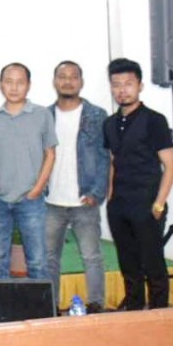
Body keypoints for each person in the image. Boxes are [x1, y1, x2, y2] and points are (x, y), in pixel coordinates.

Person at [104, 57, 173, 310]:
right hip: (119, 205)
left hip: (147, 204)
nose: (122, 89)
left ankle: (159, 315)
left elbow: (171, 165)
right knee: (128, 265)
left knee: (154, 265)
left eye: (128, 83)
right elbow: (113, 162)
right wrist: (111, 199)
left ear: (140, 86)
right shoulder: (109, 123)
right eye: (116, 84)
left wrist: (159, 203)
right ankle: (133, 314)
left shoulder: (154, 120)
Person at [0, 63, 57, 280]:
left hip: (31, 200)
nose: (14, 87)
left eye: (20, 82)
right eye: (9, 81)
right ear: (0, 85)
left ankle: (42, 313)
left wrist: (37, 189)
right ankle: (0, 314)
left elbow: (50, 154)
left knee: (37, 260)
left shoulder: (42, 115)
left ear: (29, 85)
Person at [45, 61, 109, 313]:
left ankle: (96, 304)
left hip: (85, 200)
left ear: (81, 82)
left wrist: (97, 193)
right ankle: (50, 305)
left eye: (73, 77)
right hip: (51, 201)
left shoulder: (97, 115)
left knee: (92, 257)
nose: (68, 81)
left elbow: (105, 157)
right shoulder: (45, 116)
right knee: (50, 259)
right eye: (62, 76)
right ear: (54, 81)